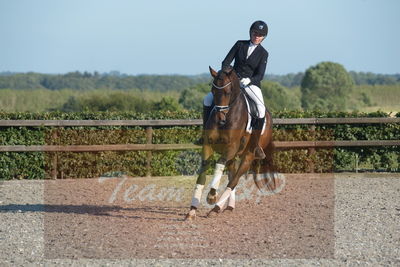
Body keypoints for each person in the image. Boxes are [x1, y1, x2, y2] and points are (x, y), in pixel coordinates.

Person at [202, 20, 269, 159]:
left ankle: (255, 145)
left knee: (261, 109)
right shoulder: (240, 44)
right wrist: (230, 76)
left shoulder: (264, 53)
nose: (257, 36)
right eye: (255, 33)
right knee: (208, 99)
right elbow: (226, 62)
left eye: (260, 35)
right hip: (232, 82)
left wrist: (249, 80)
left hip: (251, 84)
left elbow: (260, 75)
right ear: (251, 32)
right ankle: (205, 133)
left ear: (263, 37)